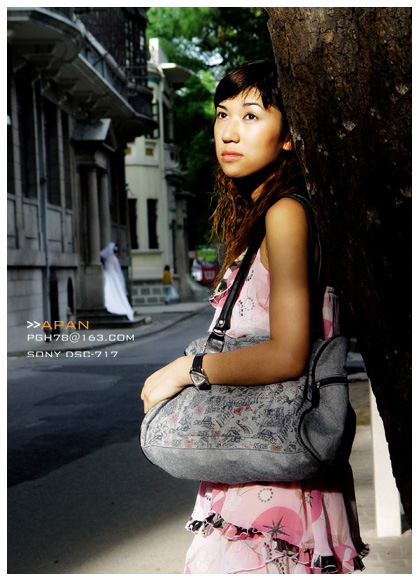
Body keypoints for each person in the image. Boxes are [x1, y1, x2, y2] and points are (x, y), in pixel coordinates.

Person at [141, 60, 368, 574]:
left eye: (250, 115)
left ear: (288, 137)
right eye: (222, 115)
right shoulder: (271, 215)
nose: (229, 132)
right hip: (262, 459)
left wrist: (186, 370)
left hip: (274, 483)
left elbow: (289, 354)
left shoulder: (286, 214)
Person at [100, 242, 134, 321]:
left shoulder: (107, 258)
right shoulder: (114, 259)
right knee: (116, 290)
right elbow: (117, 269)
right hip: (113, 275)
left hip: (107, 274)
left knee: (108, 288)